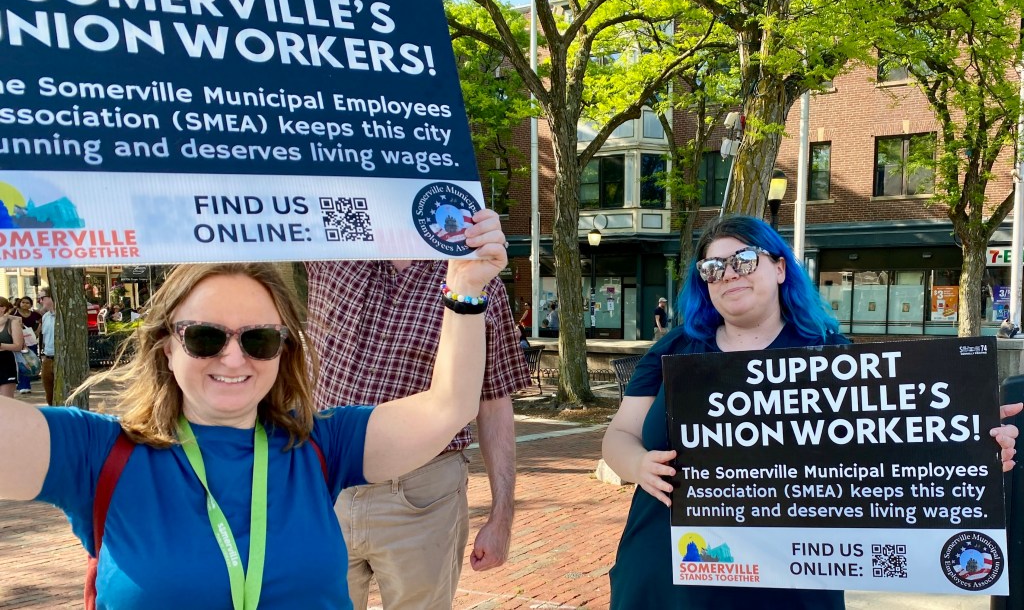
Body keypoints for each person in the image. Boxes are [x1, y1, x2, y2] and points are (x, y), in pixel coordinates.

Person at [0, 209, 507, 610]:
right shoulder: (94, 451)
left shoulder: (320, 444)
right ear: (166, 348)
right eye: (205, 336)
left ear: (283, 350)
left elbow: (450, 406)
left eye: (260, 339)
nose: (234, 357)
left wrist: (464, 288)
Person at [602, 215, 1021, 609]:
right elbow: (618, 437)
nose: (728, 273)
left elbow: (890, 455)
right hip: (668, 567)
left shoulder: (831, 356)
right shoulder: (675, 349)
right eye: (712, 268)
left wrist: (968, 442)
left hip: (792, 576)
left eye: (744, 260)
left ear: (780, 268)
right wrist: (639, 464)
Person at [305, 256, 529, 610]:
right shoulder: (331, 253)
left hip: (421, 494)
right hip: (322, 486)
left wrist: (501, 517)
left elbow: (494, 404)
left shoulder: (475, 281)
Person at [0, 298, 24, 398]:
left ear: (3, 308)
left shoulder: (12, 322)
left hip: (6, 364)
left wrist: (1, 346)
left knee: (6, 401)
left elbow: (18, 346)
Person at [38, 290, 55, 405]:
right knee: (49, 394)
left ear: (51, 297)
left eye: (42, 298)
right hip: (47, 358)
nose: (40, 301)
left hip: (60, 358)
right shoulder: (45, 317)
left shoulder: (63, 317)